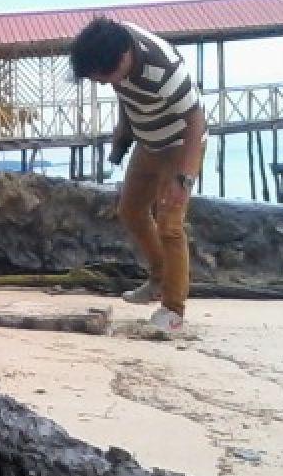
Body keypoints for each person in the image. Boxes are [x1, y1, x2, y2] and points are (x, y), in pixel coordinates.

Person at [69, 17, 207, 337]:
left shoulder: (166, 71)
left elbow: (196, 121)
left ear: (124, 59)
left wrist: (183, 178)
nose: (103, 83)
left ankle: (173, 310)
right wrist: (122, 134)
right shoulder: (114, 46)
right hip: (147, 142)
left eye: (104, 77)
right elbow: (123, 92)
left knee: (170, 226)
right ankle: (158, 278)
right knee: (130, 211)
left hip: (180, 143)